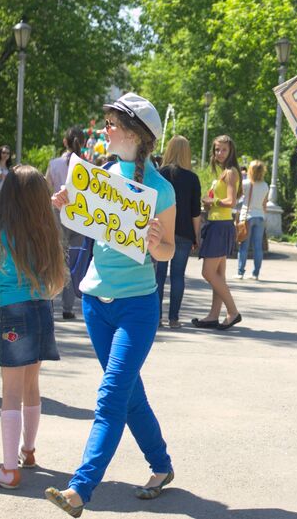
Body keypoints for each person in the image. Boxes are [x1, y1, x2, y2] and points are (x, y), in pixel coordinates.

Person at [45, 93, 177, 517]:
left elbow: (169, 252)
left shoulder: (161, 189)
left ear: (137, 135)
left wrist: (158, 244)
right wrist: (64, 205)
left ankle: (79, 490)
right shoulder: (97, 175)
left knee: (110, 396)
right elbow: (80, 223)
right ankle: (161, 465)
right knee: (128, 394)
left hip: (136, 309)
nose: (105, 130)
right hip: (94, 304)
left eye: (112, 124)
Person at [0, 165, 67, 489]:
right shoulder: (45, 232)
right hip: (42, 310)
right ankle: (29, 451)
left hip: (13, 316)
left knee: (9, 391)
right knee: (31, 386)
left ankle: (9, 470)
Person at [193, 134, 242, 330]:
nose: (219, 153)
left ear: (231, 151)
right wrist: (210, 200)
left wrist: (211, 202)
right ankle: (213, 316)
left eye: (223, 150)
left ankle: (233, 311)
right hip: (218, 223)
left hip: (220, 226)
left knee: (208, 272)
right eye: (216, 149)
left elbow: (231, 201)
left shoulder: (230, 172)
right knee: (219, 275)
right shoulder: (224, 172)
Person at [155, 135, 201, 328]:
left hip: (161, 231)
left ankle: (156, 317)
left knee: (158, 275)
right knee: (177, 276)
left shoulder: (159, 174)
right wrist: (196, 236)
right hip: (183, 232)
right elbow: (195, 212)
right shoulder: (192, 178)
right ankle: (174, 318)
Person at [46, 128, 86, 320]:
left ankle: (50, 301)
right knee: (74, 262)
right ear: (84, 143)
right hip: (79, 218)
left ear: (64, 141)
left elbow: (46, 190)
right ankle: (68, 308)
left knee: (56, 260)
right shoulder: (88, 166)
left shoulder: (54, 164)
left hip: (57, 215)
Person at [236, 160, 269, 280]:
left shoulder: (245, 183)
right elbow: (265, 204)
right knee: (257, 247)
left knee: (244, 245)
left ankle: (240, 272)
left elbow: (237, 198)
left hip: (247, 217)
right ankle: (255, 274)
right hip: (260, 217)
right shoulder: (265, 185)